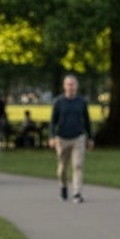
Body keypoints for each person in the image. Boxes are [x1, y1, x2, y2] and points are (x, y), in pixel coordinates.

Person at [49, 74, 94, 202]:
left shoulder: (81, 102)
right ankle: (63, 187)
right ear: (64, 86)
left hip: (78, 138)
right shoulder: (58, 102)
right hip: (62, 138)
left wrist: (90, 137)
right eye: (68, 84)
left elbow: (87, 120)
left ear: (76, 86)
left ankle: (77, 193)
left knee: (77, 165)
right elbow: (53, 121)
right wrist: (52, 136)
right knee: (62, 168)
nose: (71, 87)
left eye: (73, 84)